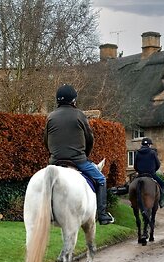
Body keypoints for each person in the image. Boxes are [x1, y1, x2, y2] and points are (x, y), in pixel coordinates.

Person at [44, 84, 115, 225]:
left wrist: (54, 155)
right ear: (73, 101)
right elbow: (90, 139)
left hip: (55, 161)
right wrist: (84, 156)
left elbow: (46, 141)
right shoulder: (79, 115)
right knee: (101, 179)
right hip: (78, 160)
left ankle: (48, 213)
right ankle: (102, 215)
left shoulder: (50, 117)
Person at [133, 137, 164, 208]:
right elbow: (158, 164)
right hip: (151, 175)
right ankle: (161, 201)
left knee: (132, 186)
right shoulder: (153, 152)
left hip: (140, 175)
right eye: (150, 145)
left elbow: (135, 166)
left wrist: (139, 171)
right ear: (149, 145)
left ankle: (133, 201)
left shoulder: (137, 153)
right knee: (163, 184)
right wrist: (153, 171)